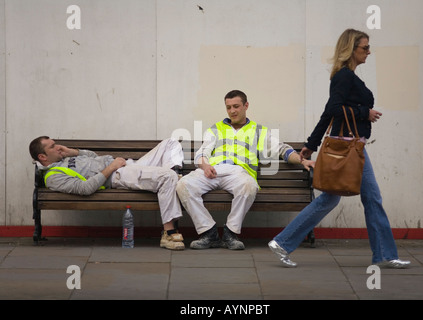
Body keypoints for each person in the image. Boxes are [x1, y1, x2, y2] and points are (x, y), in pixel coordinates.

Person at [268, 29, 411, 269]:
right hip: (348, 147)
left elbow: (328, 111)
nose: (368, 51)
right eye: (365, 47)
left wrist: (310, 145)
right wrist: (365, 112)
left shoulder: (346, 76)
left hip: (351, 145)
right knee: (361, 198)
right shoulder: (344, 77)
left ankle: (282, 243)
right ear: (351, 49)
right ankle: (282, 241)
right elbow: (334, 109)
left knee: (344, 199)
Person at [176, 90, 314, 250]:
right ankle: (208, 232)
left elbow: (282, 150)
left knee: (249, 186)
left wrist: (302, 160)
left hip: (239, 173)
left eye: (236, 106)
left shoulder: (259, 131)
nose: (232, 111)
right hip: (213, 170)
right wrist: (205, 166)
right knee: (183, 185)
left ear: (246, 106)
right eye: (228, 107)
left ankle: (230, 233)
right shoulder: (216, 128)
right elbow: (203, 151)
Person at [29, 136, 185, 250]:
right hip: (118, 175)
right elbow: (85, 189)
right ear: (42, 157)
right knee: (167, 177)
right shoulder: (53, 177)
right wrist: (112, 167)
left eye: (55, 144)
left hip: (128, 165)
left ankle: (172, 180)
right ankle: (169, 232)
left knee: (170, 143)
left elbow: (94, 157)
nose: (57, 147)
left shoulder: (63, 158)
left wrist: (72, 151)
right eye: (52, 147)